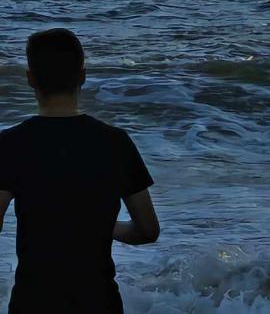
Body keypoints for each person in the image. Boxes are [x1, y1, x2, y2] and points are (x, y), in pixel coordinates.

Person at [0, 29, 159, 313]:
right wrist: (102, 228)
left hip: (33, 301)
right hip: (99, 302)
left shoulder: (11, 144)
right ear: (82, 76)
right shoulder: (115, 142)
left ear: (30, 79)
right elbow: (147, 230)